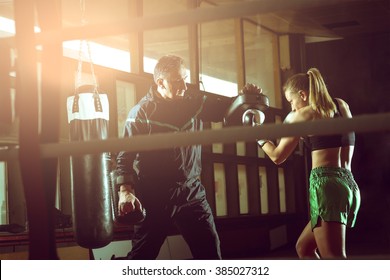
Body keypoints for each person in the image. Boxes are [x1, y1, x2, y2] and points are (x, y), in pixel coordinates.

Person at [113, 55, 230, 260]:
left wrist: (246, 100)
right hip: (155, 196)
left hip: (191, 193)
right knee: (142, 257)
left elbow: (225, 109)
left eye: (185, 78)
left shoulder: (193, 104)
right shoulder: (140, 113)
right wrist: (125, 192)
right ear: (161, 83)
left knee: (210, 255)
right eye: (177, 81)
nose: (184, 85)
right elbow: (125, 157)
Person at [255, 68, 360, 259]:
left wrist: (258, 136)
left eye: (291, 101)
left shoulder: (303, 115)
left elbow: (278, 156)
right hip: (349, 185)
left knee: (334, 257)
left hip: (326, 186)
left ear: (302, 94)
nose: (292, 108)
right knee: (304, 247)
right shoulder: (341, 105)